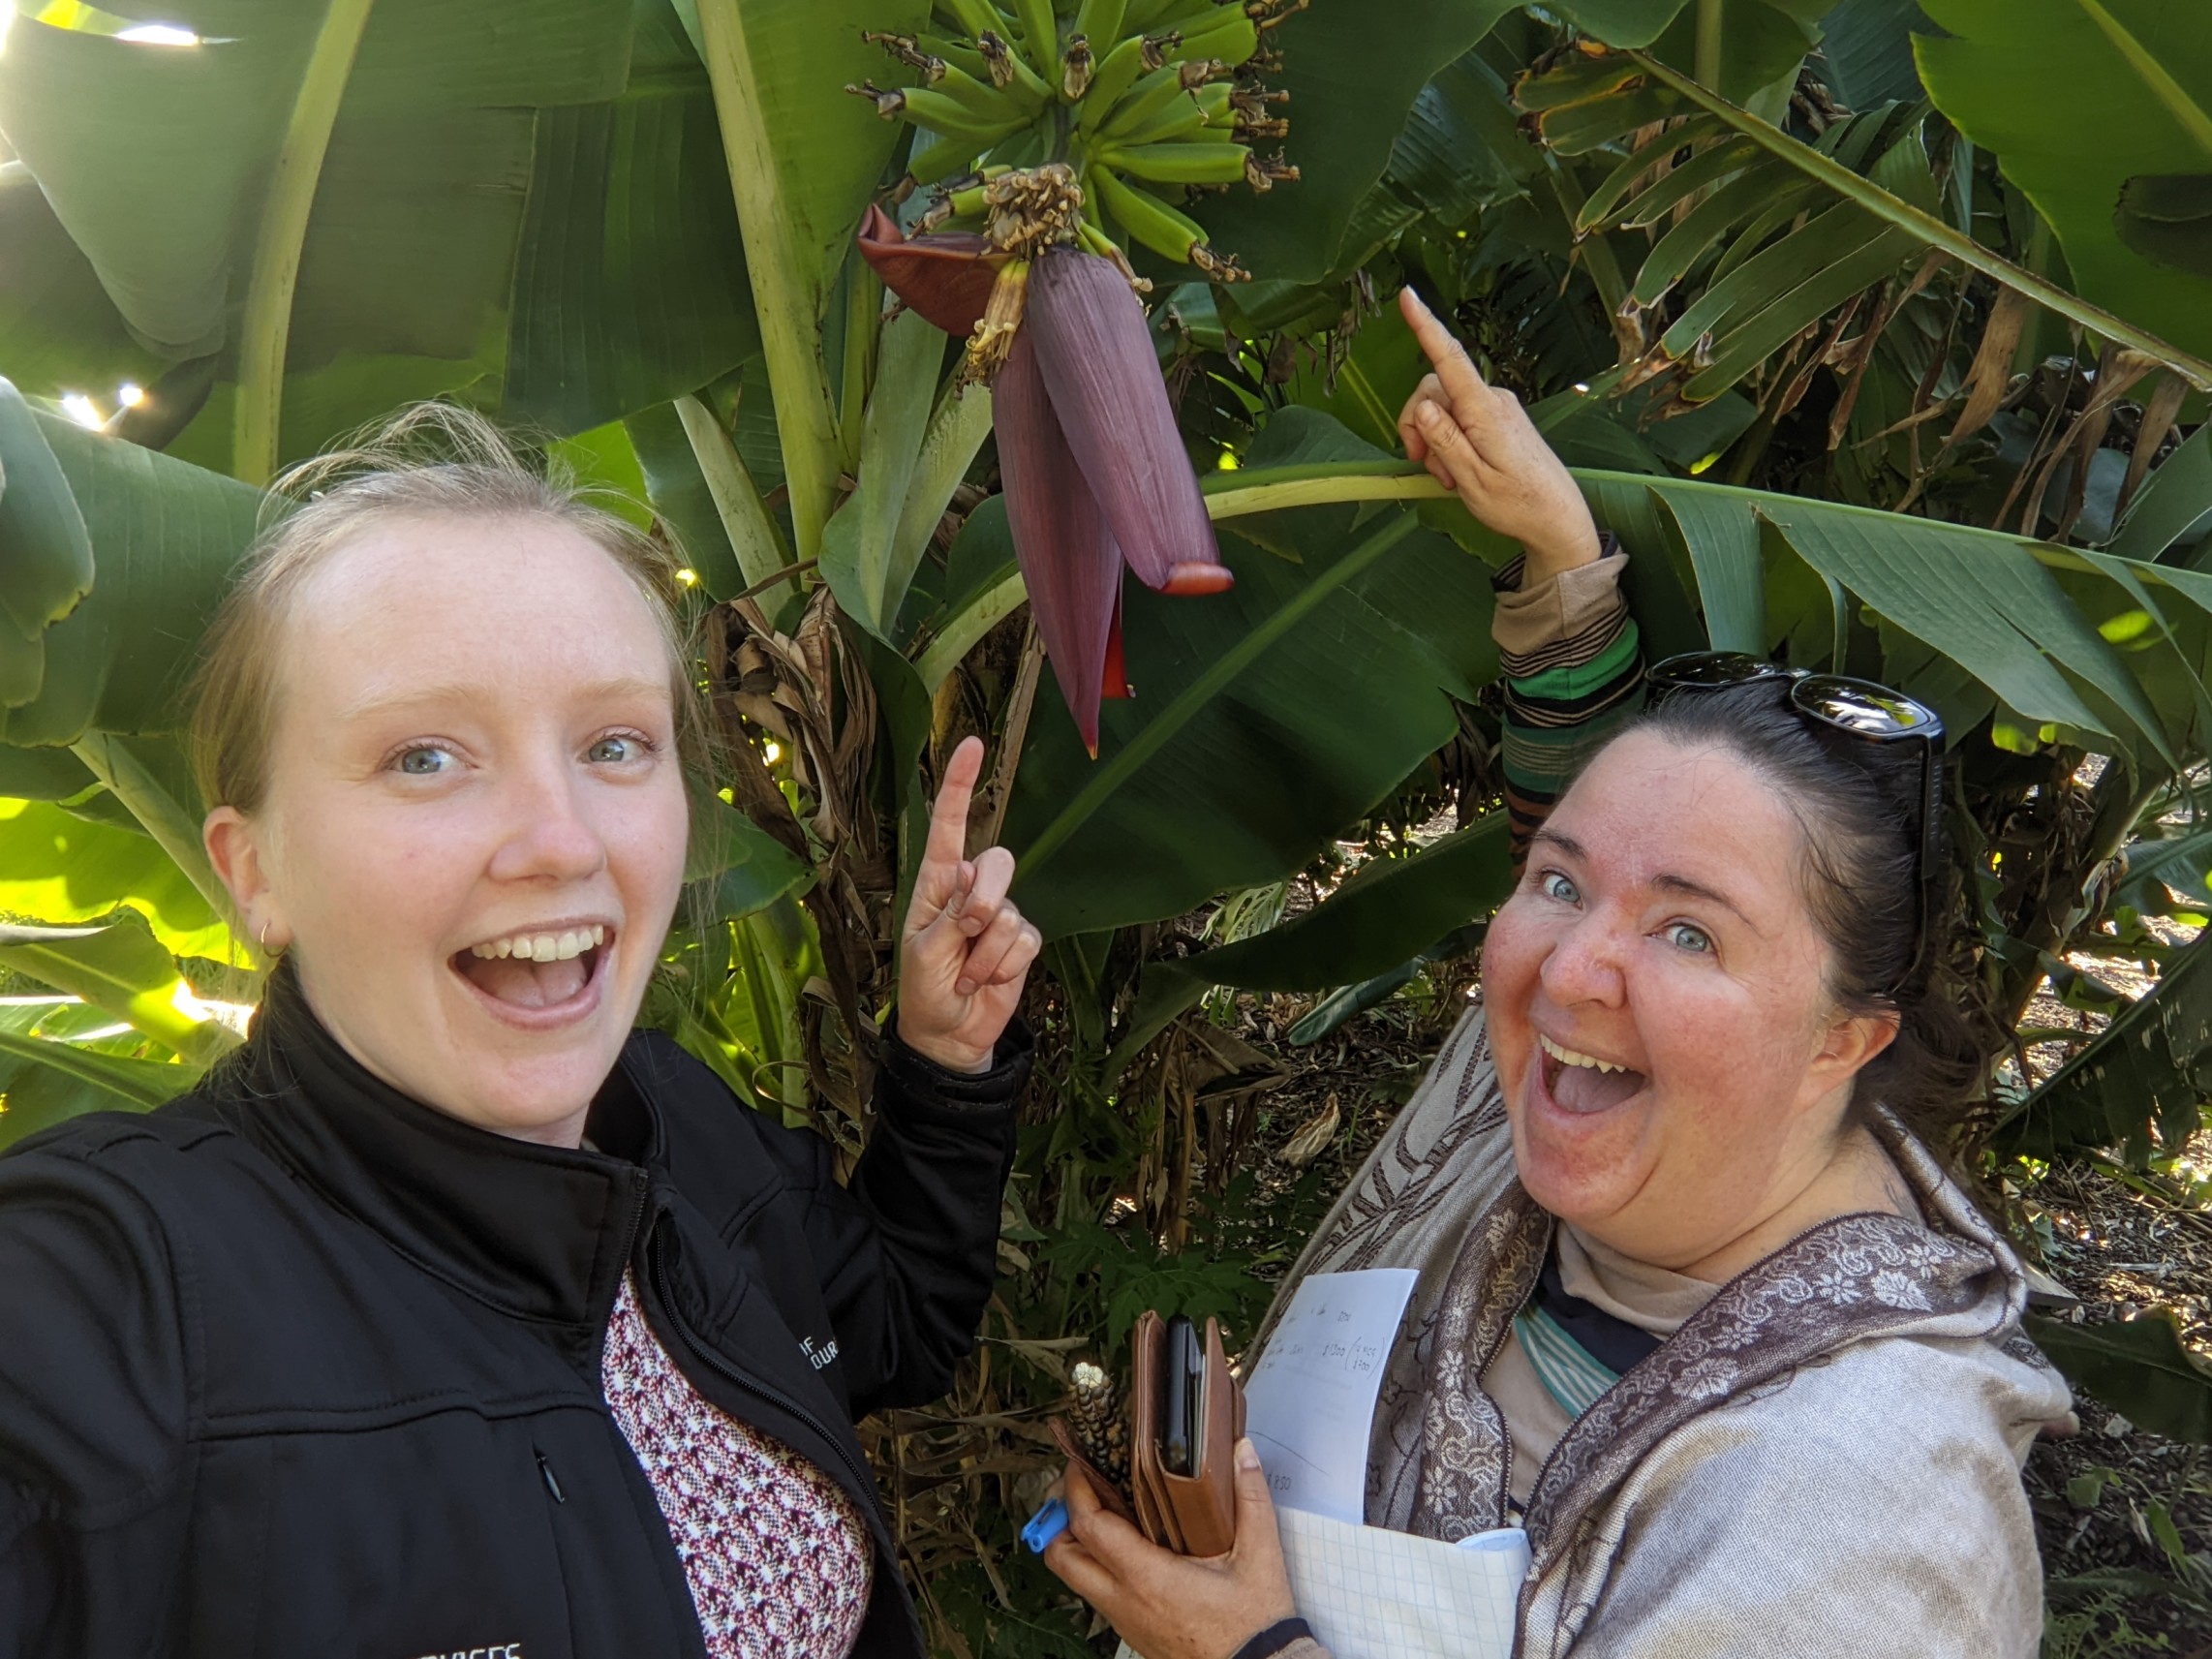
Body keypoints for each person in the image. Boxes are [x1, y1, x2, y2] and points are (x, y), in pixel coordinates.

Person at [1039, 289, 2071, 1658]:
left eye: (1691, 931)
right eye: (1562, 888)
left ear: (1846, 1037)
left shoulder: (1868, 1514)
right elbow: (1583, 830)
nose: (1571, 967)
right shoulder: (1585, 1087)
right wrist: (1558, 559)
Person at [0, 406, 1043, 1659]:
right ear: (254, 867)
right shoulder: (112, 1302)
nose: (560, 837)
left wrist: (943, 1062)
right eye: (426, 755)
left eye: (613, 742)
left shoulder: (666, 1121)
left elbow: (894, 1327)